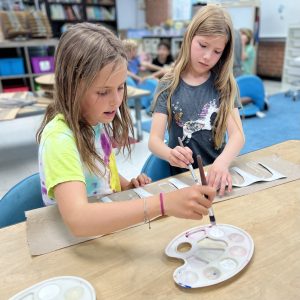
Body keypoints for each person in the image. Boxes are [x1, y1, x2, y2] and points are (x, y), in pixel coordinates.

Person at [36, 23, 215, 237]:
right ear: (71, 86)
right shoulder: (59, 139)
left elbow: (100, 171)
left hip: (105, 233)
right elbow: (78, 220)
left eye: (120, 87)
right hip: (75, 244)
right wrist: (161, 204)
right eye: (103, 92)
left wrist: (128, 185)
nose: (116, 100)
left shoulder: (94, 121)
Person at [149, 5, 245, 196]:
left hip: (217, 176)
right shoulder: (168, 84)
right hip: (182, 181)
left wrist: (222, 163)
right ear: (189, 37)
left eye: (217, 51)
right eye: (202, 45)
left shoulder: (224, 84)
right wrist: (170, 154)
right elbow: (154, 141)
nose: (208, 56)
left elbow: (238, 136)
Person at [122, 39, 159, 111]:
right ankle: (150, 107)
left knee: (155, 83)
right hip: (132, 83)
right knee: (152, 85)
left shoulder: (135, 59)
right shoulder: (123, 60)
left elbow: (146, 65)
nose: (137, 51)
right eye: (135, 49)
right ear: (130, 50)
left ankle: (152, 106)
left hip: (137, 81)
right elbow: (126, 72)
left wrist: (160, 69)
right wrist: (138, 78)